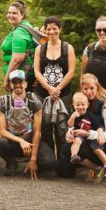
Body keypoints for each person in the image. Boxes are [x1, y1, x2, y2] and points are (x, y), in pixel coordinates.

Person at [55, 74, 106, 184]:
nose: (89, 92)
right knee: (61, 170)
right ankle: (90, 167)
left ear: (97, 87)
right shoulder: (83, 104)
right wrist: (69, 133)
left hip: (103, 148)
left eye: (92, 88)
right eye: (85, 89)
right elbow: (75, 125)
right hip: (86, 143)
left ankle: (100, 167)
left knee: (66, 148)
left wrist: (87, 134)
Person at [0, 70, 56, 178]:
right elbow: (2, 131)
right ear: (10, 85)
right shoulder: (4, 102)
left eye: (20, 82)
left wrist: (33, 158)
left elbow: (37, 132)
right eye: (14, 82)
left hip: (31, 141)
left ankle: (33, 163)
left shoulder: (34, 102)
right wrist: (21, 141)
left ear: (26, 84)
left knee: (49, 163)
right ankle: (11, 162)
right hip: (14, 141)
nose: (17, 85)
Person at [33, 15, 76, 154]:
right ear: (45, 30)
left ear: (60, 29)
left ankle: (63, 159)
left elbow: (71, 71)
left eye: (55, 29)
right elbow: (37, 71)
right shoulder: (40, 49)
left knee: (62, 126)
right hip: (43, 94)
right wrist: (49, 88)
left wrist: (57, 88)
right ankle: (48, 159)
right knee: (44, 127)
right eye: (48, 29)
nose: (51, 32)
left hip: (62, 94)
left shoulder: (67, 48)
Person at [67, 92, 106, 175]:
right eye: (78, 105)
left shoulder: (90, 115)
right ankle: (74, 156)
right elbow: (70, 124)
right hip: (80, 136)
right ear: (74, 105)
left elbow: (99, 126)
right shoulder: (75, 115)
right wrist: (73, 116)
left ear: (87, 105)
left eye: (83, 105)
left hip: (91, 136)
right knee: (77, 141)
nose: (80, 107)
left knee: (97, 150)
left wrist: (101, 136)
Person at [1, 0, 39, 91]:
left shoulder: (19, 32)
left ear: (22, 15)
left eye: (14, 13)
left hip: (20, 77)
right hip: (26, 74)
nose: (10, 15)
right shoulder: (25, 25)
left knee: (20, 104)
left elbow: (17, 59)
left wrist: (6, 79)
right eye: (9, 12)